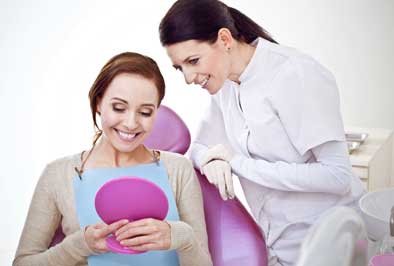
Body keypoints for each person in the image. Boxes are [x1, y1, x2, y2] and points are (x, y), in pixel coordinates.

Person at [159, 1, 366, 265]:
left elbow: (337, 176)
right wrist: (211, 159)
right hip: (277, 246)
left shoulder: (294, 73)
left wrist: (237, 164)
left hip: (332, 243)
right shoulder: (226, 86)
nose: (188, 77)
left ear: (224, 39)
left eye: (193, 61)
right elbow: (198, 146)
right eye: (180, 68)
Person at [13, 52, 212, 266]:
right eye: (119, 108)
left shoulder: (178, 169)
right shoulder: (59, 174)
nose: (130, 123)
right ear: (99, 103)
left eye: (145, 112)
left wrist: (182, 237)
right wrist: (79, 246)